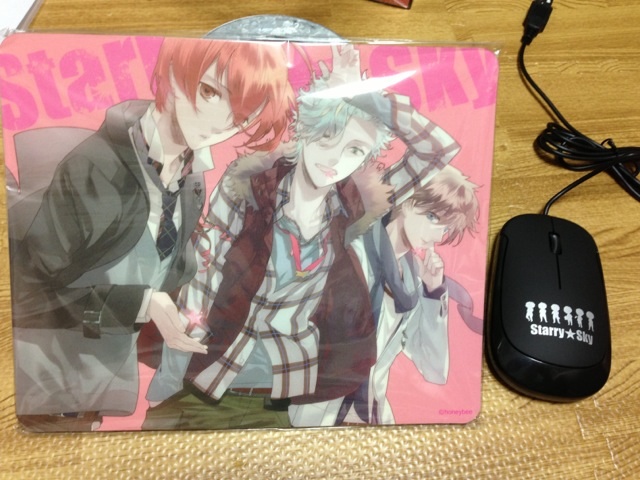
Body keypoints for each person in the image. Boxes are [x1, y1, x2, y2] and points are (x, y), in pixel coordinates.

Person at [141, 45, 461, 430]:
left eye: (354, 150)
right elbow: (204, 277)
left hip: (280, 396)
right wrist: (170, 377)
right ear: (305, 131)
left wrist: (368, 97)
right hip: (208, 380)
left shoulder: (352, 209)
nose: (335, 159)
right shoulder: (249, 189)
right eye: (327, 136)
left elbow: (437, 148)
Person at [10, 37, 294, 432]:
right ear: (171, 73)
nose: (220, 121)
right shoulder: (98, 168)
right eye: (210, 92)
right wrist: (142, 304)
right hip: (42, 385)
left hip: (99, 388)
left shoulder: (191, 178)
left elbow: (160, 270)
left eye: (241, 115)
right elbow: (28, 292)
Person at [337, 164, 480, 425]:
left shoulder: (411, 280)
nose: (437, 234)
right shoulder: (354, 253)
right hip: (325, 408)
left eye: (446, 228)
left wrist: (433, 293)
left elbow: (434, 369)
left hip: (372, 416)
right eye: (433, 217)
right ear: (406, 202)